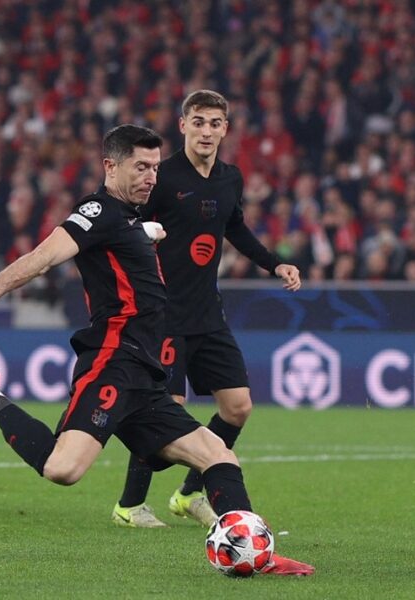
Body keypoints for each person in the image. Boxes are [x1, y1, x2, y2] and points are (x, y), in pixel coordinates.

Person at [0, 124, 314, 576]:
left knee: (219, 455)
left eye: (154, 168)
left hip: (145, 373)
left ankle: (255, 552)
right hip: (112, 359)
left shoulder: (129, 216)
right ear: (110, 166)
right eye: (140, 167)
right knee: (62, 470)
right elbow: (45, 255)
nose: (151, 177)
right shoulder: (96, 211)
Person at [111, 90, 302, 529]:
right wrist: (142, 235)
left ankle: (190, 494)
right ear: (182, 125)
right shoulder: (161, 177)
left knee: (238, 407)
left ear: (225, 129)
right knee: (167, 413)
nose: (206, 131)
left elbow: (235, 228)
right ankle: (129, 505)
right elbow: (123, 220)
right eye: (198, 121)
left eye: (215, 123)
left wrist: (275, 263)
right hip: (164, 316)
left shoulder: (229, 178)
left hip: (207, 314)